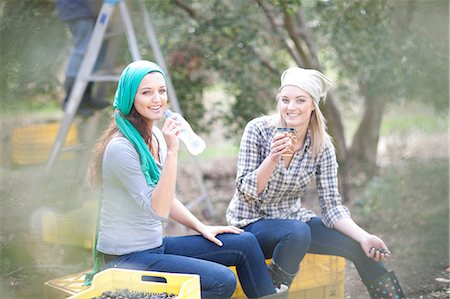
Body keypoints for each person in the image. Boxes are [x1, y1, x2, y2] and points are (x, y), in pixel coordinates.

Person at [87, 60, 282, 298]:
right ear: (130, 98)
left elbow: (167, 198)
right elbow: (158, 210)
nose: (157, 99)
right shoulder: (121, 147)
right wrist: (172, 152)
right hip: (126, 260)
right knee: (222, 281)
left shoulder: (155, 135)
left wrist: (201, 227)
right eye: (146, 92)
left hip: (153, 247)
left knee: (245, 243)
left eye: (161, 90)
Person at [226, 67, 406, 298]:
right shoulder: (258, 131)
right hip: (251, 226)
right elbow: (245, 192)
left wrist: (363, 236)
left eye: (300, 100)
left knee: (359, 247)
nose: (291, 107)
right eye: (285, 100)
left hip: (293, 223)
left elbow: (332, 207)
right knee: (298, 232)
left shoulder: (321, 145)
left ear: (313, 104)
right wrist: (272, 158)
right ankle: (272, 292)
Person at [56, 0, 110, 116]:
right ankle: (70, 99)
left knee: (98, 50)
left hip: (89, 7)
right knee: (83, 49)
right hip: (77, 7)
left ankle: (85, 97)